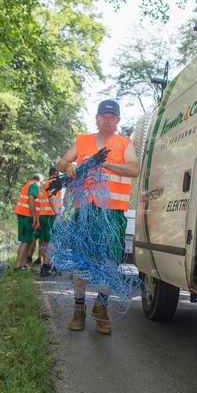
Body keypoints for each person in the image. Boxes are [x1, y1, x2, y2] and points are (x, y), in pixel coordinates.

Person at [55, 99, 139, 335]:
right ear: (97, 118)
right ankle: (79, 309)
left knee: (110, 263)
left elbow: (134, 169)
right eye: (103, 115)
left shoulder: (124, 144)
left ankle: (101, 308)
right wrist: (68, 166)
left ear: (118, 121)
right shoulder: (82, 141)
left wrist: (107, 164)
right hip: (85, 212)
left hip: (112, 215)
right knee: (81, 261)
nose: (107, 119)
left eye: (112, 116)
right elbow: (60, 162)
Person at [13, 173, 43, 270]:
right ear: (39, 181)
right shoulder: (34, 186)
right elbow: (31, 199)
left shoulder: (28, 184)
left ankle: (23, 264)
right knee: (25, 241)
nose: (40, 186)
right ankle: (18, 266)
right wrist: (34, 215)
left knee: (29, 240)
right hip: (27, 216)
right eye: (41, 184)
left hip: (25, 215)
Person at [36, 166, 62, 277]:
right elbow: (51, 198)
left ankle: (47, 266)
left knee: (46, 242)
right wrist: (57, 213)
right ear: (56, 173)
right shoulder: (54, 182)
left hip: (43, 216)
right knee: (53, 242)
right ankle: (47, 267)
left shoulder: (46, 183)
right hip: (51, 216)